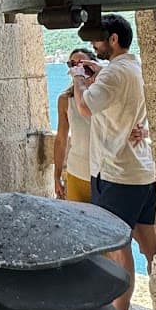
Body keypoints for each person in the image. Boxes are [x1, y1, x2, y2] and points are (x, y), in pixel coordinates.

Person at [73, 13, 156, 310]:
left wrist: (80, 77)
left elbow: (85, 107)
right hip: (141, 172)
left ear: (112, 40)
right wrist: (97, 73)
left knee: (117, 251)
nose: (93, 45)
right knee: (152, 247)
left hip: (117, 174)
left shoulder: (114, 73)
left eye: (97, 39)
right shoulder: (134, 69)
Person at [53, 47, 96, 202]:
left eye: (82, 64)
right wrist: (57, 175)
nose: (77, 68)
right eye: (72, 64)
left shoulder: (104, 95)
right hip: (77, 171)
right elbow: (61, 139)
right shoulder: (65, 101)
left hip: (105, 174)